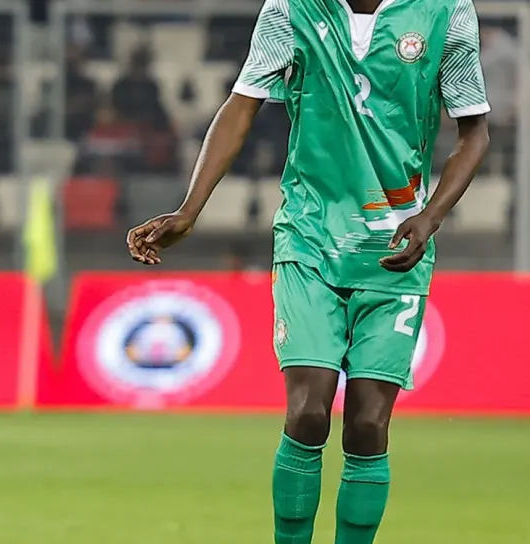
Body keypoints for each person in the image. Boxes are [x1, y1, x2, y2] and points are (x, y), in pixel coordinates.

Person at [126, 1, 490, 543]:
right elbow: (241, 104)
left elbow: (474, 132)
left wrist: (431, 216)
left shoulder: (445, 10)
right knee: (307, 412)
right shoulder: (291, 8)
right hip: (310, 239)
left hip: (394, 250)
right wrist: (189, 209)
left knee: (368, 424)